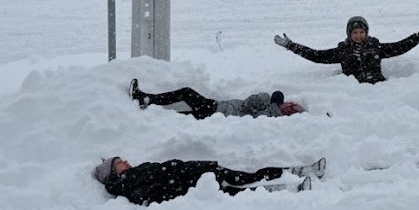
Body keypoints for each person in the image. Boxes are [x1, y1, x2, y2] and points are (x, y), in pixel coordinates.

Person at [274, 16, 419, 84]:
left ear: (366, 32)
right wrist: (291, 45)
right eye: (355, 32)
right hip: (353, 93)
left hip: (380, 89)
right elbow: (316, 55)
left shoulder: (375, 47)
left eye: (361, 32)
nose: (359, 36)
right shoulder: (342, 51)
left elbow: (400, 47)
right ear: (349, 33)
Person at [92, 156, 325, 205]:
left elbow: (172, 167)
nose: (125, 161)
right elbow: (155, 195)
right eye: (119, 162)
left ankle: (299, 170)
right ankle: (292, 190)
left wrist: (201, 167)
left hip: (202, 173)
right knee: (243, 193)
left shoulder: (138, 172)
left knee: (249, 176)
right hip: (197, 188)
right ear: (113, 172)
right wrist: (186, 188)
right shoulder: (129, 187)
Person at [128, 79, 305, 119]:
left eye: (289, 106)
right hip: (217, 110)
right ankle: (147, 106)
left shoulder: (270, 114)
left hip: (217, 111)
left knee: (186, 93)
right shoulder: (271, 110)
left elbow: (250, 103)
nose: (287, 104)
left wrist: (269, 100)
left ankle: (146, 100)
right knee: (181, 116)